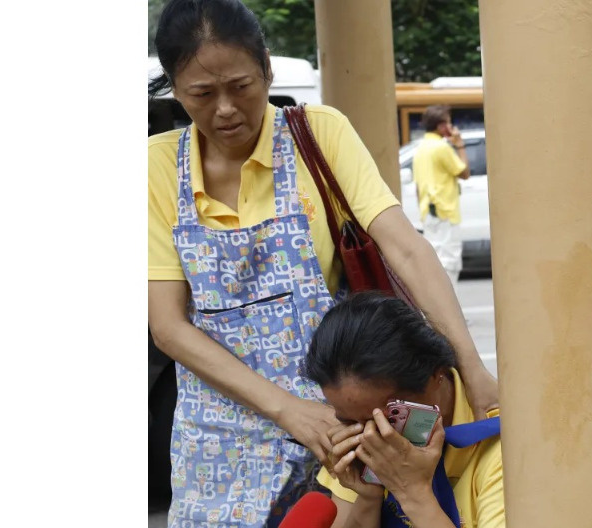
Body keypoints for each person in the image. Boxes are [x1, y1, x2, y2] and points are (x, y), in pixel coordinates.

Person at [146, 1, 498, 525]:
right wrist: (288, 410)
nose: (225, 109)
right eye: (201, 93)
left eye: (241, 86)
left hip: (342, 425)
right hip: (218, 445)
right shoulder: (155, 165)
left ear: (266, 68)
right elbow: (169, 327)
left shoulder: (318, 132)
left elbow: (406, 248)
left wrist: (471, 367)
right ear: (175, 87)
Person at [307, 293, 504, 528]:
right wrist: (368, 498)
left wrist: (413, 493)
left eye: (389, 419)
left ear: (435, 374)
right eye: (350, 422)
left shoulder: (506, 452)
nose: (371, 437)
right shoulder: (358, 440)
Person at [413, 105, 472, 290]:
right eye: (448, 122)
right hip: (444, 211)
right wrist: (460, 144)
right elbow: (464, 172)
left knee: (436, 262)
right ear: (440, 126)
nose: (451, 126)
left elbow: (417, 186)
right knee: (450, 263)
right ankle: (450, 314)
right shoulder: (441, 147)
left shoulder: (421, 148)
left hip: (429, 212)